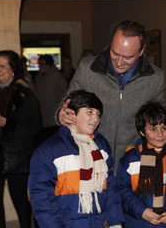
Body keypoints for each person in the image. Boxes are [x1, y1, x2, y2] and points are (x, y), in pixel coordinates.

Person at [65, 21, 166, 163]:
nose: (119, 62)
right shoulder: (87, 69)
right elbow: (66, 104)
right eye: (115, 53)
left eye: (128, 57)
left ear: (142, 51)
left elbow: (160, 114)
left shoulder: (155, 77)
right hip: (92, 156)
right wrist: (61, 115)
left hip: (137, 158)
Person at [29, 89, 122, 228]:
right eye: (89, 112)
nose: (95, 119)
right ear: (72, 114)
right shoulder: (48, 151)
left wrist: (115, 222)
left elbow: (111, 188)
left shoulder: (101, 145)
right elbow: (43, 201)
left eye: (98, 114)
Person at [0, 52, 42, 228]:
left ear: (13, 69)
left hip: (18, 156)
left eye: (2, 66)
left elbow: (36, 126)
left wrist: (9, 124)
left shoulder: (24, 93)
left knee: (20, 200)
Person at [33, 57, 67, 135]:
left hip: (54, 114)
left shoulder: (57, 76)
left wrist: (60, 106)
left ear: (48, 65)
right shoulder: (38, 77)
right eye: (39, 64)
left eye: (42, 64)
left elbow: (65, 91)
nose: (40, 66)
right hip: (43, 116)